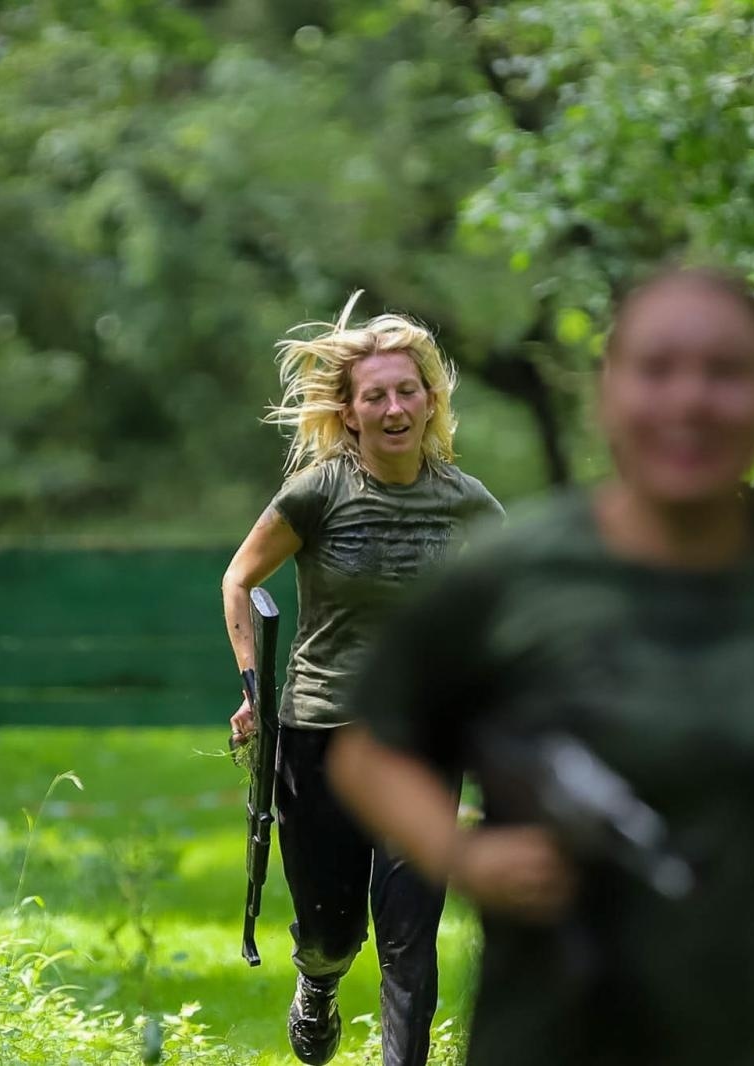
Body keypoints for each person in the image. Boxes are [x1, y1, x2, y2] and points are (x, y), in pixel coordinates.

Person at [327, 266, 754, 1065]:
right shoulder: (510, 579)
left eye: (727, 373)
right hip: (558, 1028)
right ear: (607, 395)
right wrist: (465, 855)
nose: (690, 402)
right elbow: (370, 752)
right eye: (656, 370)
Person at [221, 292, 504, 1066]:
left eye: (406, 390)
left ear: (429, 400)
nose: (392, 407)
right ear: (348, 411)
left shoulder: (465, 502)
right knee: (331, 929)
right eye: (374, 394)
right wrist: (253, 688)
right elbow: (240, 579)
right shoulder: (318, 494)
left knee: (411, 935)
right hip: (320, 732)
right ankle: (318, 979)